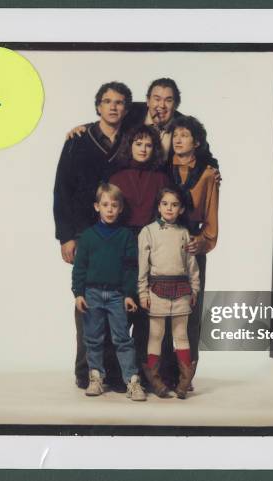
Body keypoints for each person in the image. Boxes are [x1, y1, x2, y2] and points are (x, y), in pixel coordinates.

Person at [53, 81, 133, 391]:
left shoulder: (131, 137)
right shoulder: (78, 140)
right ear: (98, 106)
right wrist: (66, 236)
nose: (114, 107)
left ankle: (113, 373)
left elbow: (145, 108)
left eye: (120, 102)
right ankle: (86, 372)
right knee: (88, 305)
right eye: (107, 102)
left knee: (117, 302)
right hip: (86, 233)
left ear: (127, 108)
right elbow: (61, 190)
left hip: (119, 233)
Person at [160, 115, 220, 390]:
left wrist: (203, 242)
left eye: (185, 135)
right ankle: (162, 374)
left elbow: (211, 215)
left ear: (197, 142)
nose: (179, 140)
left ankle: (186, 374)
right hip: (163, 242)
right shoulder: (162, 167)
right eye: (175, 135)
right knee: (162, 309)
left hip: (192, 244)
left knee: (190, 311)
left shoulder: (208, 172)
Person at [72, 183, 146, 401]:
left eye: (114, 205)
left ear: (121, 208)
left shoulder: (125, 236)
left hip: (116, 296)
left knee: (122, 339)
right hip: (92, 293)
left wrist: (129, 294)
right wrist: (78, 293)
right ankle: (96, 377)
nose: (110, 209)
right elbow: (80, 268)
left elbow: (131, 268)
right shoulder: (87, 236)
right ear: (97, 207)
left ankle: (132, 381)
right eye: (105, 205)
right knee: (93, 339)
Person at [108, 124, 171, 371]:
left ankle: (145, 371)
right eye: (138, 143)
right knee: (121, 309)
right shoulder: (117, 177)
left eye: (148, 144)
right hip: (124, 245)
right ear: (129, 146)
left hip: (152, 247)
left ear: (154, 148)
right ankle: (117, 371)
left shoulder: (161, 178)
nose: (143, 149)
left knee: (148, 312)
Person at [67, 78, 219, 171]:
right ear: (147, 100)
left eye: (168, 100)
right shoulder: (133, 112)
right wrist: (86, 128)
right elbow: (110, 116)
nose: (161, 105)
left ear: (176, 104)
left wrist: (213, 171)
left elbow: (203, 154)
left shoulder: (185, 125)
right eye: (156, 98)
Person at [138, 187, 200, 399]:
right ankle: (155, 380)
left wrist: (195, 289)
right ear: (158, 206)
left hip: (182, 289)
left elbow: (192, 266)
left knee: (181, 335)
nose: (169, 208)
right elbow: (142, 267)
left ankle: (184, 381)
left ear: (181, 209)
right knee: (156, 335)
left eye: (174, 205)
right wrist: (142, 293)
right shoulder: (147, 232)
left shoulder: (184, 234)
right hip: (156, 289)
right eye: (165, 204)